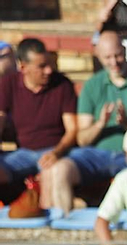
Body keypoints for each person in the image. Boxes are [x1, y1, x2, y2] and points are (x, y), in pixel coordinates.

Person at [71, 33, 127, 198]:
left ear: (125, 51)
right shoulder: (92, 85)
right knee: (60, 169)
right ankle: (64, 213)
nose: (114, 62)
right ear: (98, 56)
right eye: (107, 57)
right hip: (97, 155)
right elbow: (82, 139)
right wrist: (101, 123)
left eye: (118, 55)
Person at [0, 40, 82, 212]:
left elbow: (72, 129)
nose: (48, 70)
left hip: (55, 150)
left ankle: (53, 219)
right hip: (22, 154)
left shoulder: (62, 85)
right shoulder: (9, 84)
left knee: (52, 172)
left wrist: (56, 152)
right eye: (42, 66)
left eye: (49, 64)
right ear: (24, 67)